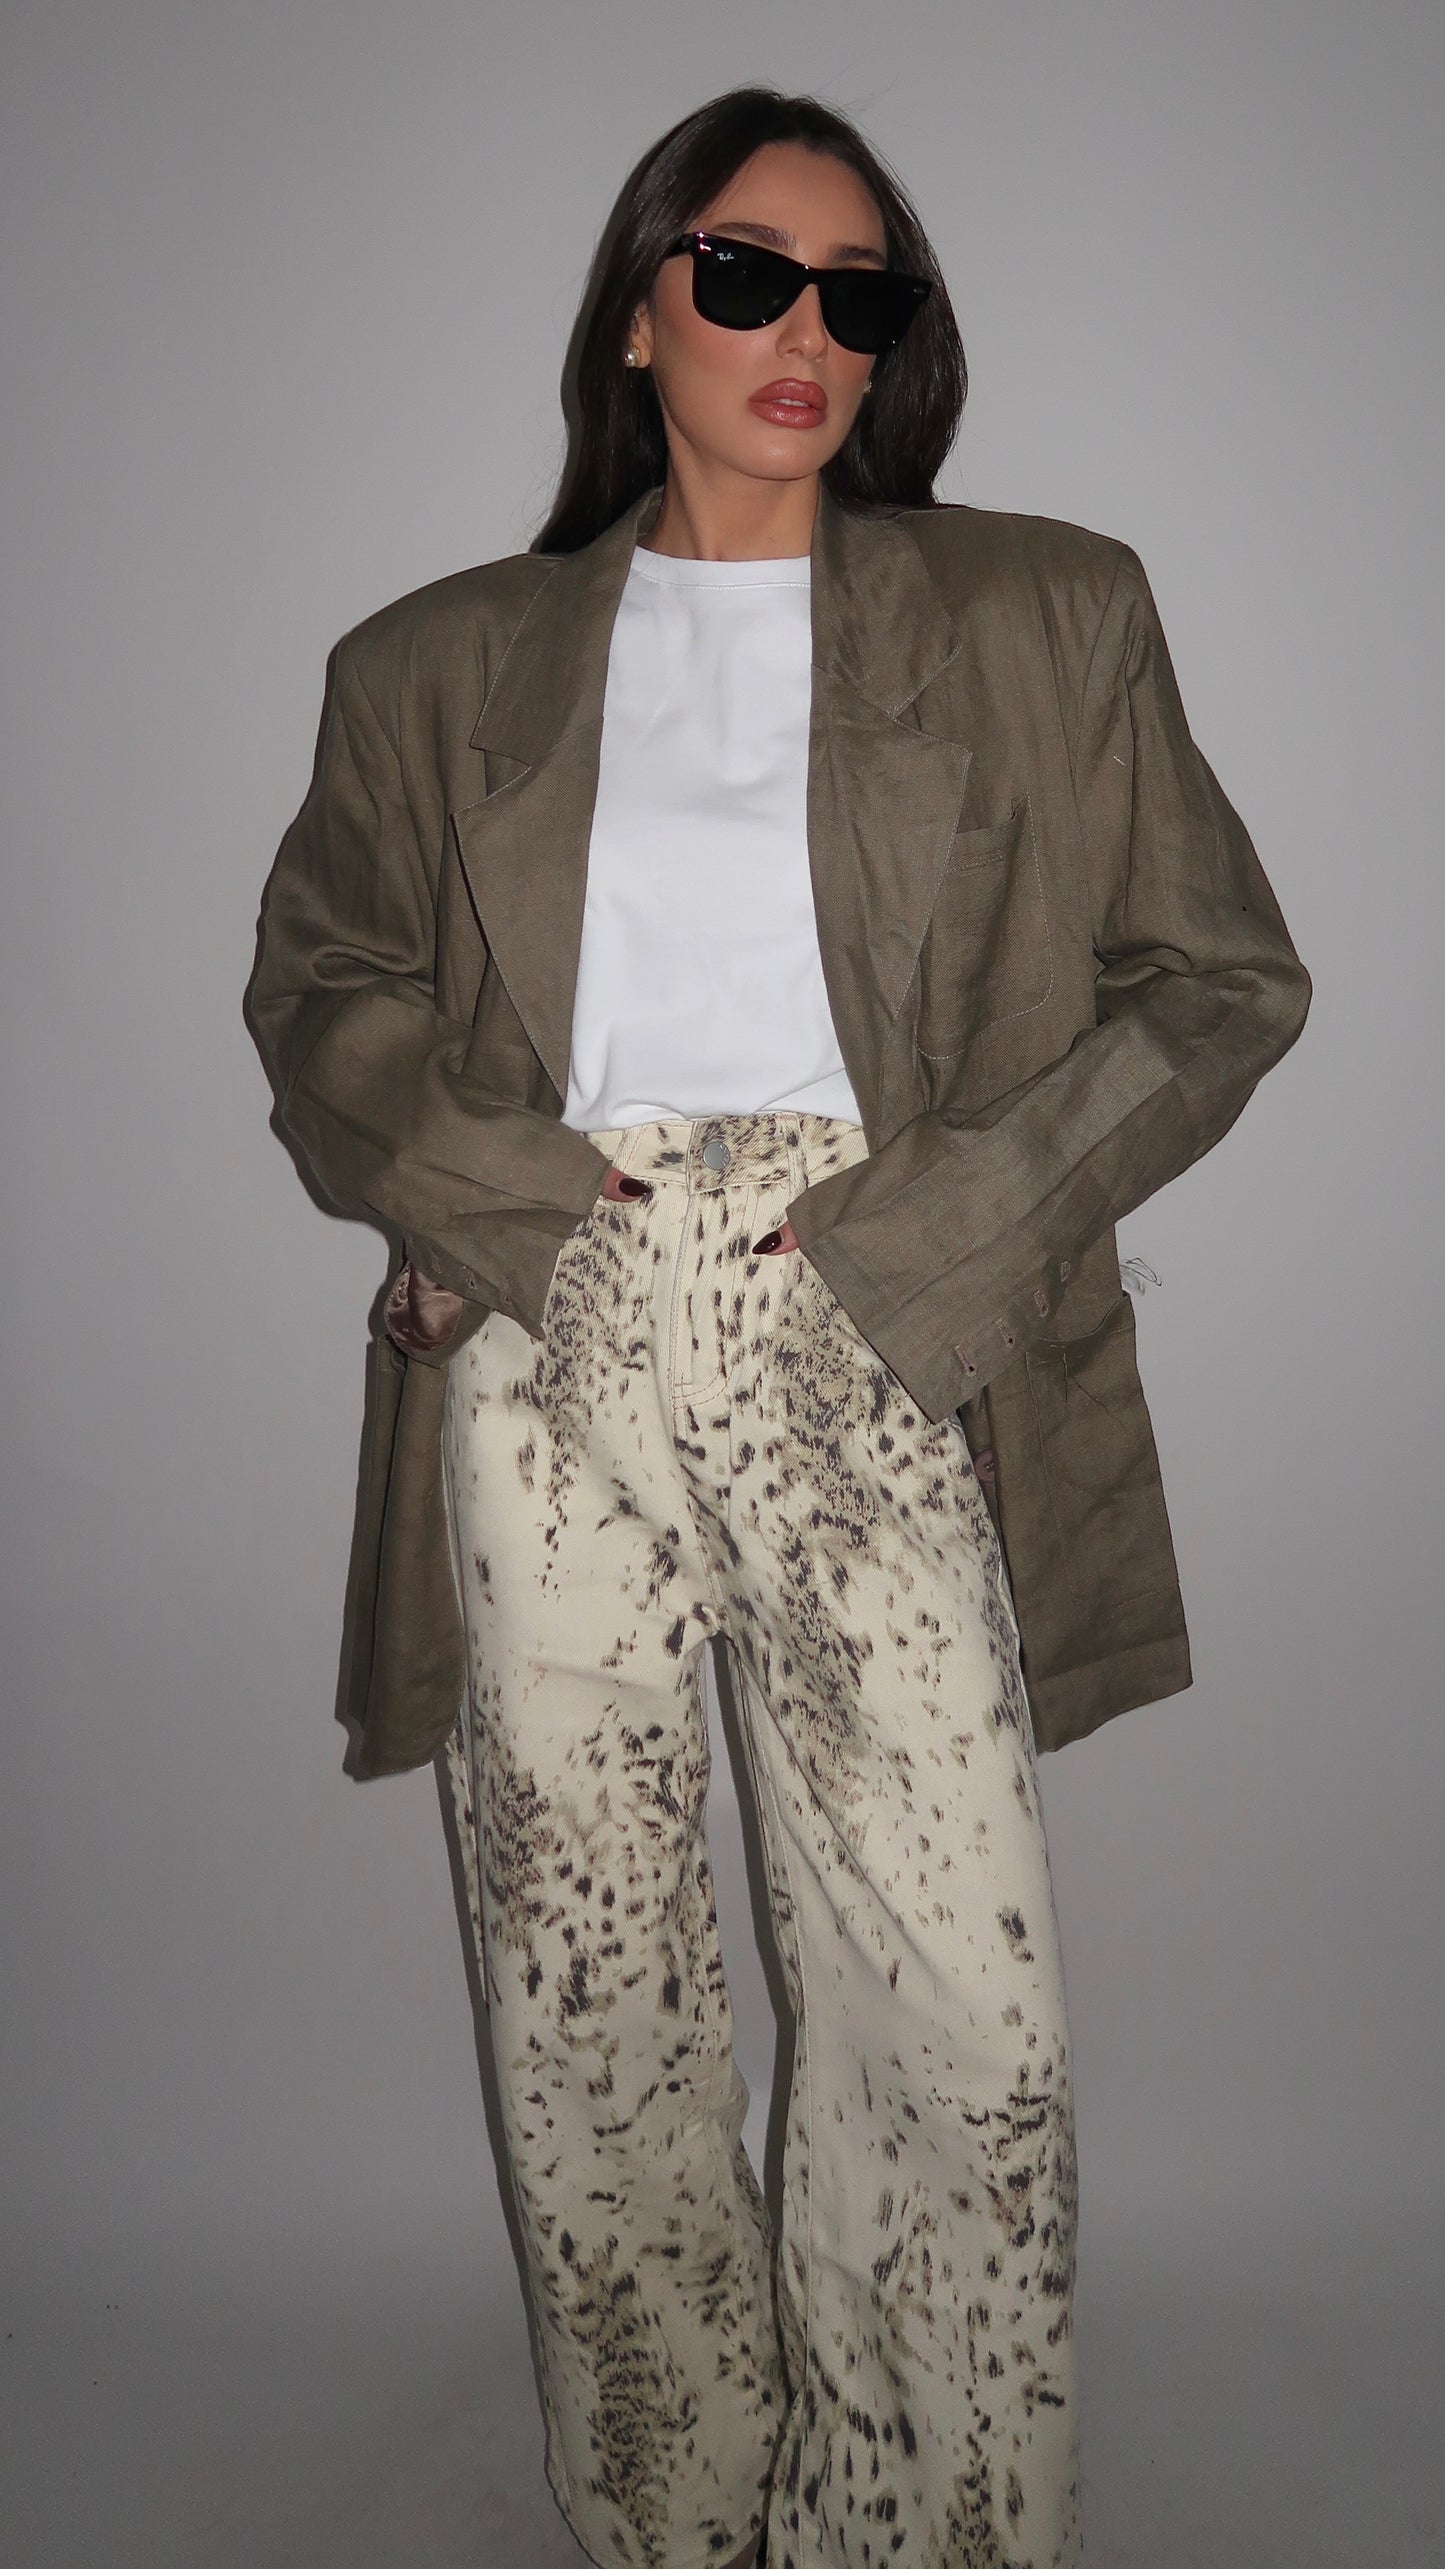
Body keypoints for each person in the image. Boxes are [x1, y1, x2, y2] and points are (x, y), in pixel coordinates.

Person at [249, 84, 1310, 2569]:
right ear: (641, 314)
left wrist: (949, 1224)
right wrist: (495, 1193)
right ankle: (671, 2510)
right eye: (744, 273)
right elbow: (323, 993)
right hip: (552, 1331)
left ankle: (921, 2531)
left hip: (867, 1311)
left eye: (862, 291)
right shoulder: (434, 664)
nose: (803, 329)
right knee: (589, 1995)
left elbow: (1218, 976)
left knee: (957, 2007)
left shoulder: (1049, 615)